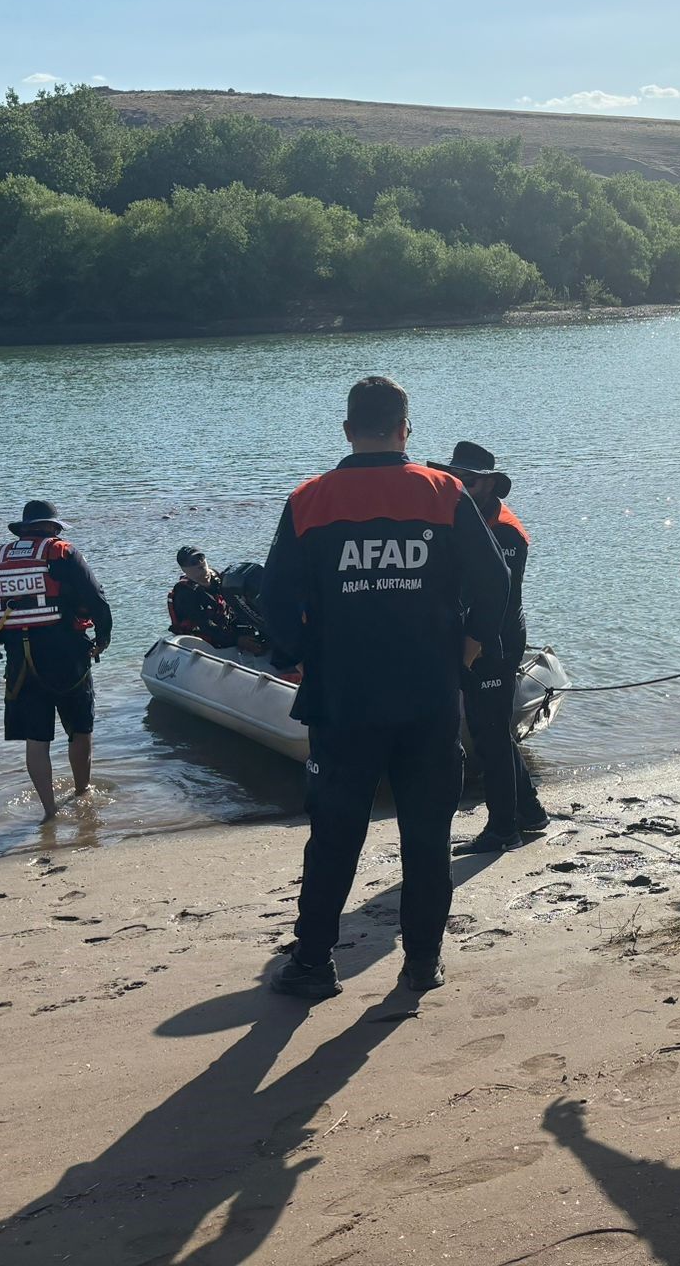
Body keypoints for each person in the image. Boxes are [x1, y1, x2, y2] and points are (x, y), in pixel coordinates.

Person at [260, 377, 509, 999]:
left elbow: (276, 601)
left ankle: (313, 964)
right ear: (405, 428)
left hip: (343, 701)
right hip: (427, 697)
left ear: (348, 431)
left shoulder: (309, 499)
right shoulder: (444, 491)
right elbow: (495, 580)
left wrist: (297, 656)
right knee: (426, 835)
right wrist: (472, 643)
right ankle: (421, 963)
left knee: (335, 834)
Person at [0, 500, 113, 822]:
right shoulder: (63, 553)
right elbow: (97, 600)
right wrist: (103, 640)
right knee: (80, 729)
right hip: (67, 656)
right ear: (54, 527)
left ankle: (49, 811)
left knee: (37, 738)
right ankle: (82, 792)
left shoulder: (1, 558)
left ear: (24, 528)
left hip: (21, 662)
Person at [439, 441, 553, 854]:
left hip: (496, 641)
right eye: (455, 478)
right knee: (494, 732)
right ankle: (531, 812)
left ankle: (503, 829)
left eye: (467, 479)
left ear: (488, 483)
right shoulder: (466, 518)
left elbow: (497, 597)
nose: (460, 485)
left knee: (491, 737)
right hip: (482, 637)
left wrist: (478, 644)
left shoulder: (505, 532)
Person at [167, 545, 239, 648]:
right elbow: (205, 625)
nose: (200, 564)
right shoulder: (185, 593)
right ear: (184, 569)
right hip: (200, 640)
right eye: (193, 562)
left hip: (225, 629)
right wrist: (237, 640)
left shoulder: (217, 578)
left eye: (201, 558)